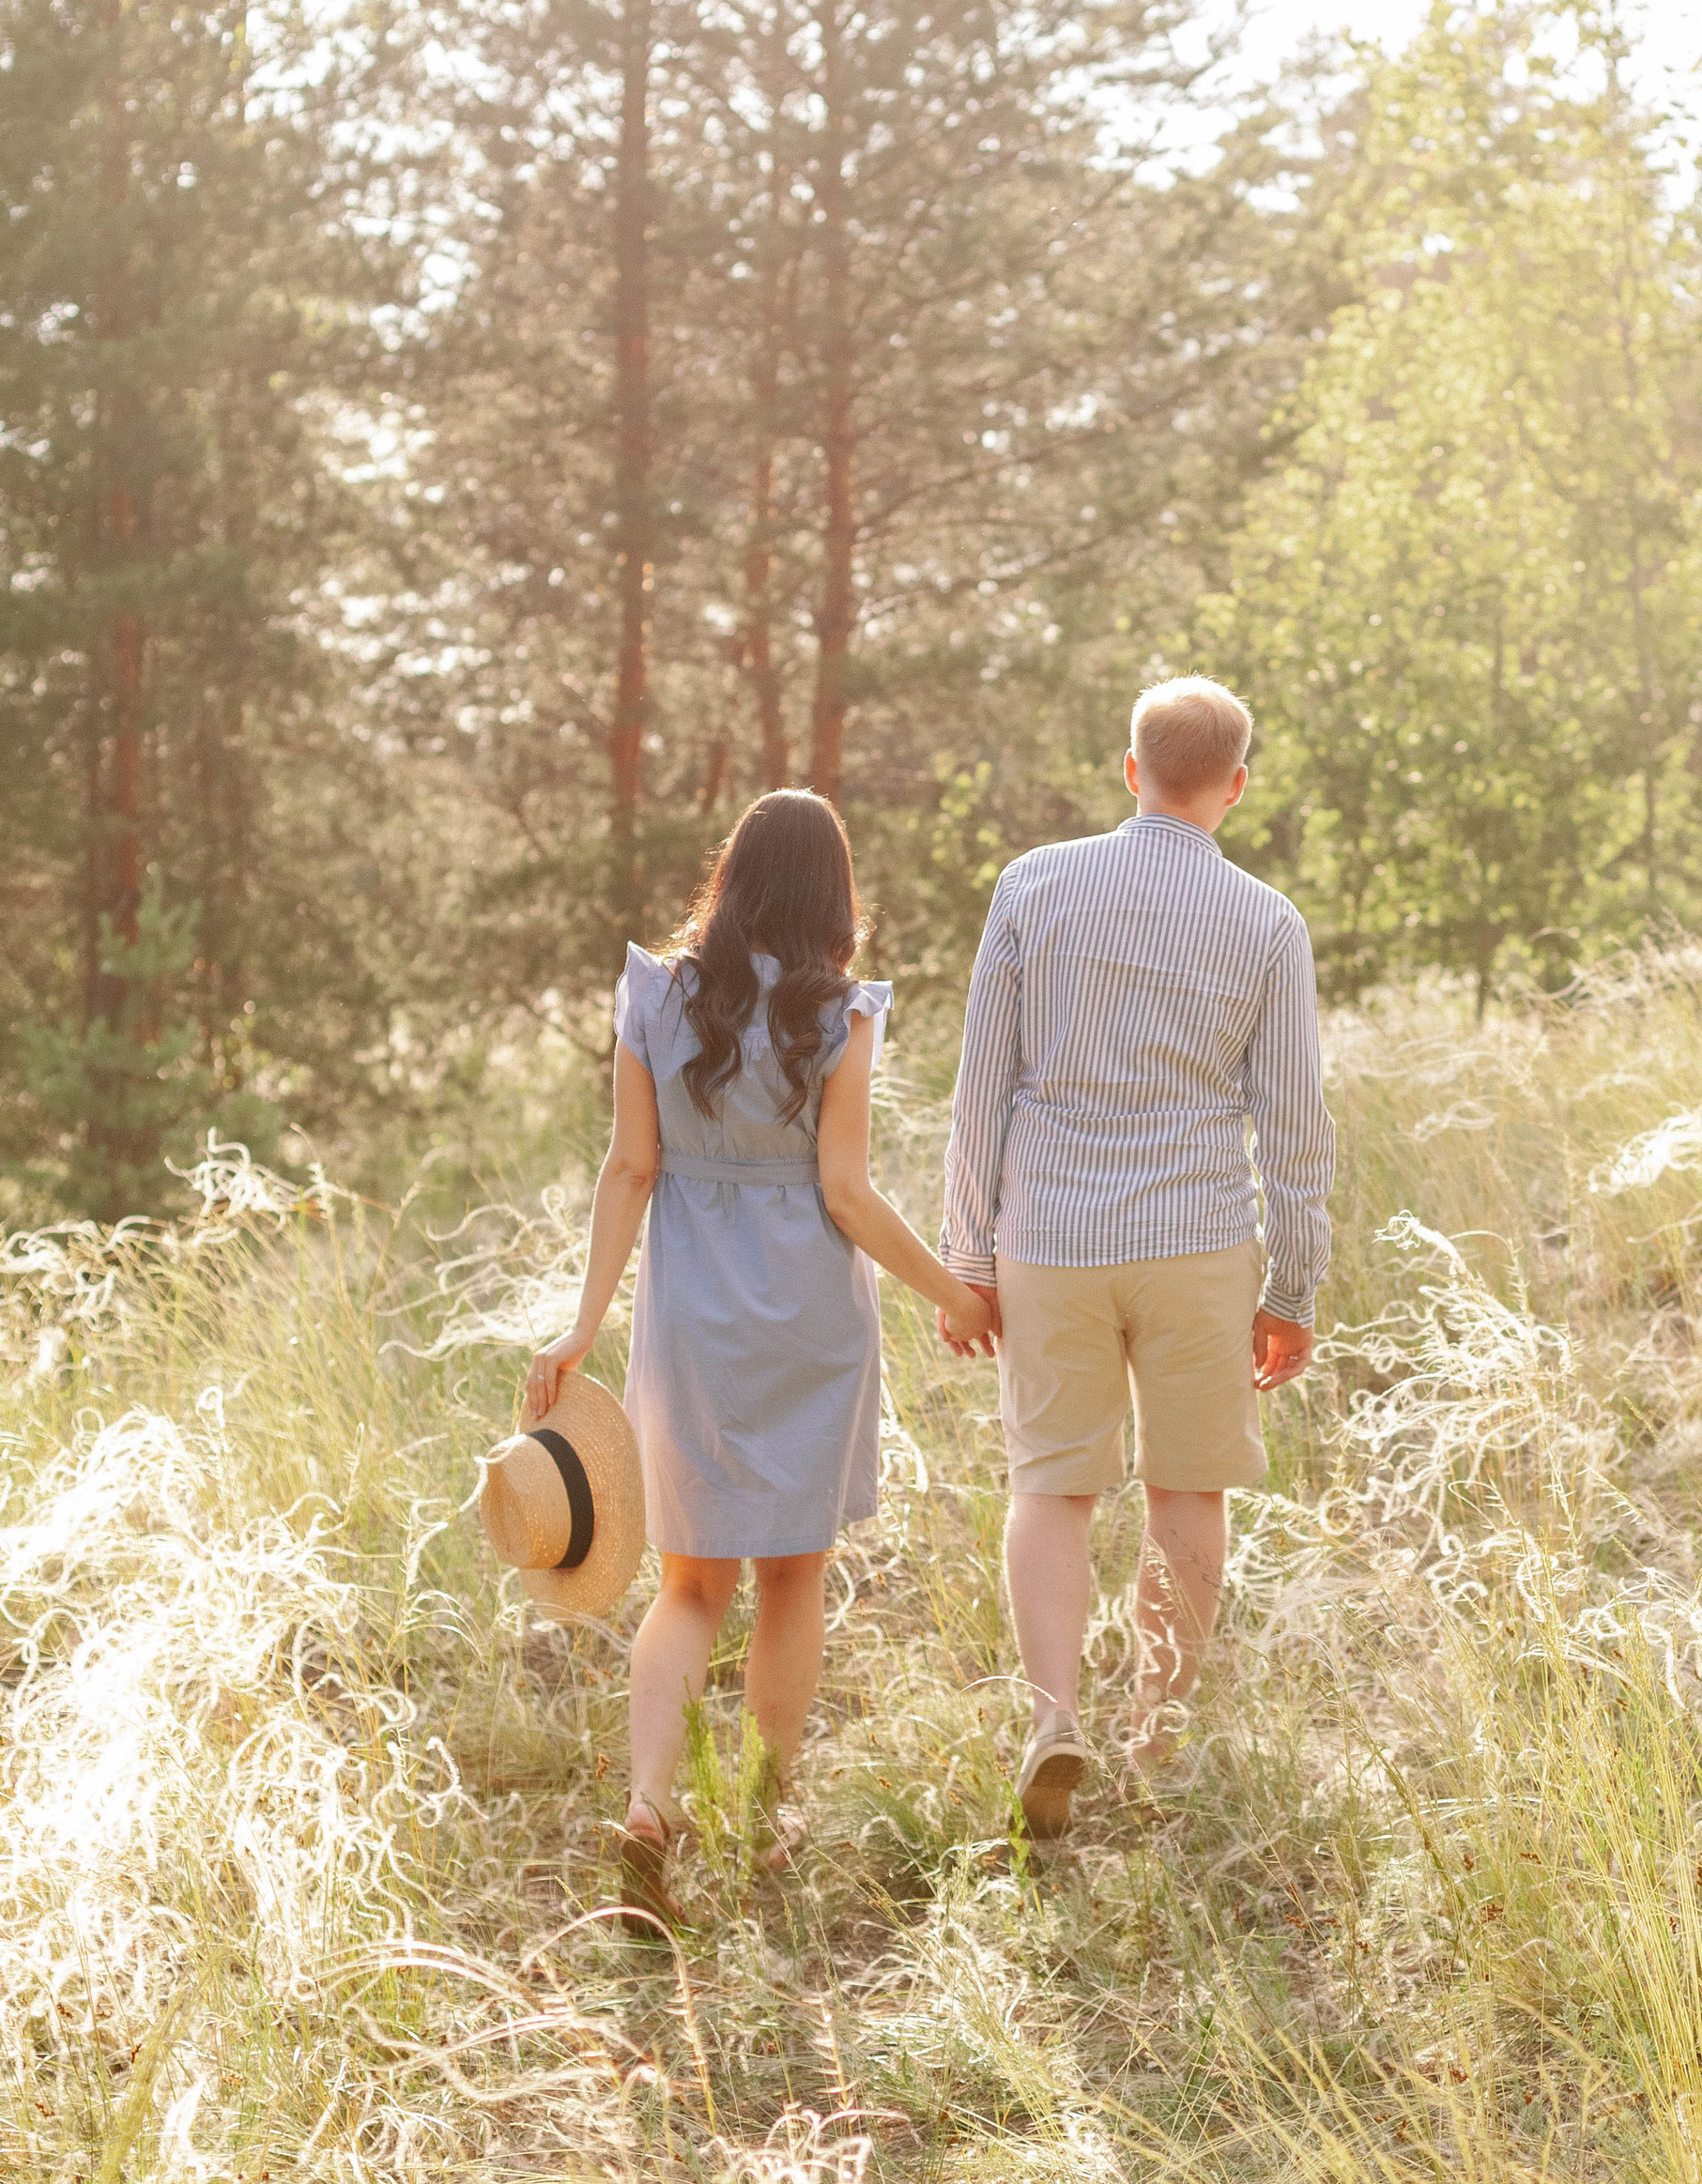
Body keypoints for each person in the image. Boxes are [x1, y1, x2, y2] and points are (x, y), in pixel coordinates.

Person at [523, 787, 998, 1929]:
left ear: (730, 877)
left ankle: (648, 1809)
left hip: (690, 1314)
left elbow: (629, 1170)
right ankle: (765, 1821)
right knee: (793, 1573)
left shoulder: (654, 993)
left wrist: (582, 1322)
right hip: (807, 1317)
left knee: (690, 1581)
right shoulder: (844, 1013)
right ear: (835, 893)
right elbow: (844, 1189)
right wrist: (955, 1292)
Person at [939, 675, 1336, 1836]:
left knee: (1051, 1489)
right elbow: (1294, 1123)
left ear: (1129, 770)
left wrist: (968, 1258)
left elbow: (982, 1092)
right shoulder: (1265, 921)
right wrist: (1293, 1286)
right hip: (1196, 1242)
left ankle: (1051, 1715)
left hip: (1048, 1240)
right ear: (1236, 785)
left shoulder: (1033, 886)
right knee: (1185, 1489)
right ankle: (1154, 1733)